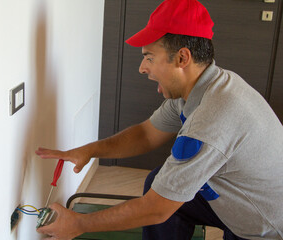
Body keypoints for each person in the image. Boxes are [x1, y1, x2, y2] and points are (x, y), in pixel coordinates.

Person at [35, 0, 283, 239]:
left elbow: (157, 208)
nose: (143, 68)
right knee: (159, 181)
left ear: (182, 58)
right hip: (238, 202)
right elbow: (146, 134)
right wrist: (89, 150)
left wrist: (79, 223)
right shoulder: (203, 87)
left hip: (264, 228)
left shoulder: (212, 119)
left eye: (150, 57)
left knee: (161, 200)